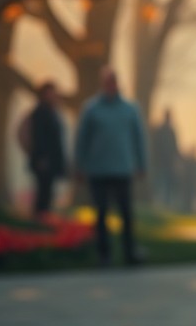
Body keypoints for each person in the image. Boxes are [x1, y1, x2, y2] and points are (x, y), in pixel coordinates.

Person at [75, 67, 147, 266]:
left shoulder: (130, 109)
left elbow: (138, 139)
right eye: (108, 81)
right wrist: (79, 165)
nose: (111, 85)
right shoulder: (91, 109)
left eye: (114, 81)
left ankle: (129, 252)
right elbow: (82, 140)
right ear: (102, 83)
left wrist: (141, 164)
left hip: (123, 169)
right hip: (98, 169)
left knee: (126, 213)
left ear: (118, 83)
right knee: (101, 213)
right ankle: (104, 254)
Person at [21, 80, 68, 218]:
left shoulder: (51, 111)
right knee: (43, 191)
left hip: (49, 160)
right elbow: (39, 137)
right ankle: (40, 219)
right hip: (44, 160)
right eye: (50, 93)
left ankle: (43, 218)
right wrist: (41, 157)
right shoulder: (41, 112)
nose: (52, 95)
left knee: (46, 191)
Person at [151, 109, 180, 209]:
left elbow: (175, 147)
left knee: (166, 182)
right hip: (161, 161)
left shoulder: (170, 131)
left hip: (167, 161)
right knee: (161, 181)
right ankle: (160, 202)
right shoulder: (162, 131)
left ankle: (165, 202)